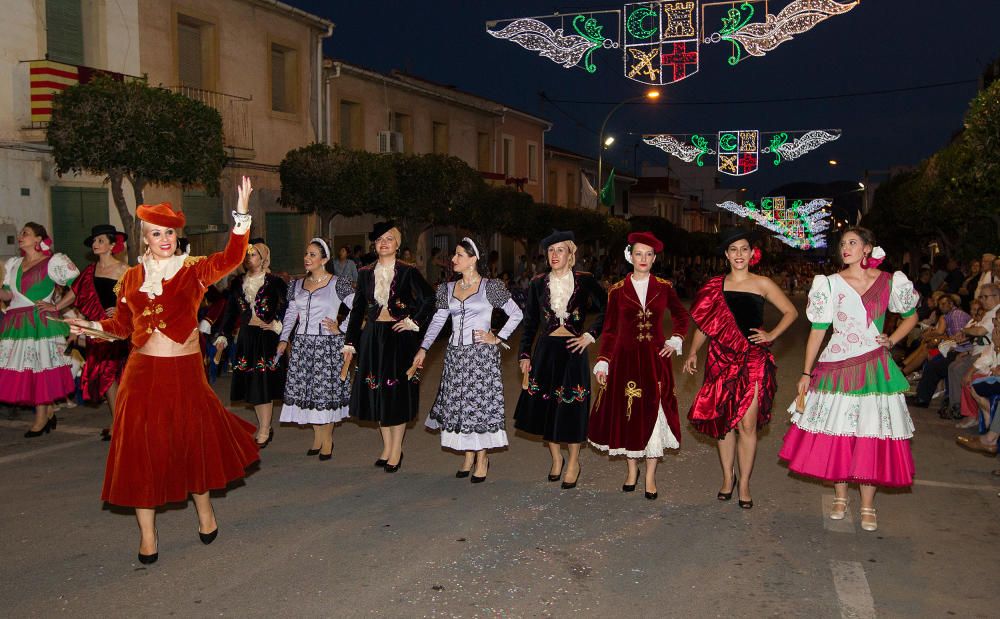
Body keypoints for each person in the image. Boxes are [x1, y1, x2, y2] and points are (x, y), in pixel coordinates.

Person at [68, 177, 259, 564]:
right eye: (157, 233)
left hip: (185, 372)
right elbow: (121, 327)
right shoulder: (132, 279)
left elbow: (231, 259)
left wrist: (241, 215)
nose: (165, 238)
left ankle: (205, 512)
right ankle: (148, 536)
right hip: (142, 374)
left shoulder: (192, 271)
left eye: (169, 232)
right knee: (142, 452)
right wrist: (92, 328)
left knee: (191, 444)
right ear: (146, 239)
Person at [779, 227, 919, 532]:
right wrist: (806, 372)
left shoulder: (889, 282)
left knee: (871, 434)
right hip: (836, 367)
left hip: (874, 368)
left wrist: (892, 340)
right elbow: (818, 330)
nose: (846, 248)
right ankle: (840, 497)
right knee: (839, 433)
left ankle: (868, 504)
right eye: (843, 243)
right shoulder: (829, 284)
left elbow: (911, 315)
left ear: (867, 248)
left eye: (853, 243)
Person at [683, 228, 798, 508]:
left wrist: (771, 334)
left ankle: (744, 482)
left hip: (752, 359)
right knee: (724, 423)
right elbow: (705, 326)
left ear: (751, 253)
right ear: (726, 255)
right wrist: (692, 353)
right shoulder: (714, 286)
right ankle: (727, 477)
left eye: (744, 249)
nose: (739, 255)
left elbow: (791, 312)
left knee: (747, 424)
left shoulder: (762, 283)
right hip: (720, 359)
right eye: (733, 250)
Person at [587, 232, 689, 500]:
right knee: (629, 414)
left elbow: (681, 316)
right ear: (630, 255)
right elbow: (609, 331)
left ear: (655, 258)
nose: (643, 259)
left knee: (655, 412)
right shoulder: (617, 291)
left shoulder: (665, 287)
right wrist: (603, 361)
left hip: (656, 361)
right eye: (639, 253)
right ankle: (632, 470)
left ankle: (651, 476)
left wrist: (676, 338)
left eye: (649, 254)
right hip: (625, 361)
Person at [414, 238, 523, 482]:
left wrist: (497, 337)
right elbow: (438, 321)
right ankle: (468, 454)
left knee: (479, 407)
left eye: (459, 255)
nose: (454, 259)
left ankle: (482, 457)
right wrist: (423, 348)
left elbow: (517, 313)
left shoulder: (490, 287)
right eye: (455, 254)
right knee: (461, 405)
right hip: (455, 355)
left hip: (481, 356)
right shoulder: (447, 289)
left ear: (473, 259)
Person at [514, 230, 607, 489]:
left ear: (571, 254)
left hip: (574, 350)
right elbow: (530, 323)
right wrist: (524, 355)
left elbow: (609, 309)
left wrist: (590, 335)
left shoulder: (585, 281)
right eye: (551, 251)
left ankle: (574, 460)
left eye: (560, 250)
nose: (554, 255)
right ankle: (556, 458)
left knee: (573, 407)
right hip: (546, 350)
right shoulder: (537, 283)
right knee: (547, 407)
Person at [343, 222, 435, 472]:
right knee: (378, 392)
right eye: (380, 239)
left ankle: (397, 449)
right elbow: (357, 310)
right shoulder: (364, 272)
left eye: (389, 239)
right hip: (372, 337)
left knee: (396, 393)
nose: (384, 243)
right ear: (375, 244)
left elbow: (429, 298)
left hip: (399, 337)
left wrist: (412, 321)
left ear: (397, 244)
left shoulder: (408, 271)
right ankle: (386, 446)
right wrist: (350, 342)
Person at [277, 238, 355, 459]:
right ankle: (317, 437)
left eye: (312, 254)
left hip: (326, 346)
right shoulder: (296, 284)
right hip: (302, 345)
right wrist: (284, 339)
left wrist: (340, 327)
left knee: (324, 394)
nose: (307, 258)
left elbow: (358, 306)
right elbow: (291, 314)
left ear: (324, 259)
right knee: (309, 393)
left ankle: (327, 439)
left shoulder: (337, 283)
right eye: (306, 254)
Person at [0, 223, 79, 437]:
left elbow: (79, 286)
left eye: (25, 233)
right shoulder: (14, 264)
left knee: (41, 368)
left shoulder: (52, 262)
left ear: (38, 239)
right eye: (20, 233)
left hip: (40, 322)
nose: (20, 236)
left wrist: (57, 306)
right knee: (27, 370)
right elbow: (8, 296)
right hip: (16, 323)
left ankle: (42, 418)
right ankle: (47, 413)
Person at [214, 241, 287, 447]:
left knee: (263, 383)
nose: (249, 259)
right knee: (253, 384)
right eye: (247, 255)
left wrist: (276, 324)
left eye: (254, 255)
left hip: (267, 337)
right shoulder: (238, 282)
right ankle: (264, 425)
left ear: (263, 257)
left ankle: (264, 427)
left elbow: (289, 308)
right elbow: (230, 312)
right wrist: (223, 336)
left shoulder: (275, 282)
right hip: (247, 338)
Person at [72, 224, 129, 440]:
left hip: (118, 328)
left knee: (115, 376)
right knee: (106, 377)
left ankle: (119, 422)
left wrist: (122, 308)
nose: (96, 244)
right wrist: (55, 308)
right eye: (94, 241)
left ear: (112, 245)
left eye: (100, 241)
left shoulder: (124, 270)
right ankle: (118, 420)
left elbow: (137, 296)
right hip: (98, 329)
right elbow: (74, 292)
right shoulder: (90, 270)